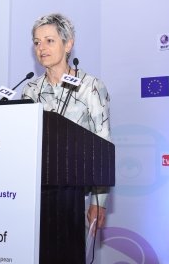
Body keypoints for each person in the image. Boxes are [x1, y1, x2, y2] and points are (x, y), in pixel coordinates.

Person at [21, 13, 111, 230]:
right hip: (35, 193)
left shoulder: (90, 87)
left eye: (49, 41)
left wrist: (99, 201)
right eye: (37, 42)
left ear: (68, 44)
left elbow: (103, 144)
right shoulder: (30, 89)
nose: (41, 48)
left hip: (75, 193)